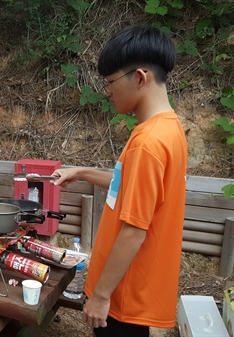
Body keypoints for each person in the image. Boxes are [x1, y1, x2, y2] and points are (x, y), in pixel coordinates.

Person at [51, 26, 187, 337]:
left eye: (110, 82)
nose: (107, 91)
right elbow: (130, 184)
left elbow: (134, 230)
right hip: (132, 287)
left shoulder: (148, 143)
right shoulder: (167, 129)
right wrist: (81, 172)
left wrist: (100, 296)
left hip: (123, 294)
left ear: (140, 78)